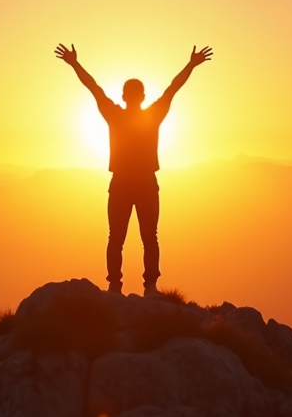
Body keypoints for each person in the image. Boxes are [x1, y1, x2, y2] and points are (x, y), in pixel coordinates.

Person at [55, 43, 213, 295]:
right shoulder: (153, 115)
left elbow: (94, 89)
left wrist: (74, 63)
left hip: (121, 183)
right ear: (142, 96)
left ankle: (115, 287)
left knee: (116, 238)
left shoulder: (114, 115)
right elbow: (173, 89)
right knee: (149, 237)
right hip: (145, 183)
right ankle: (149, 286)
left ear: (124, 96)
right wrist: (191, 65)